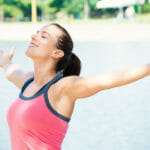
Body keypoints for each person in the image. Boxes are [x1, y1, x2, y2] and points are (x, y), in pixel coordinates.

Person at [0, 23, 150, 150]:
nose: (33, 36)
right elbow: (12, 72)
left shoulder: (63, 88)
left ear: (57, 53)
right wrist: (6, 62)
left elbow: (109, 79)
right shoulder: (28, 82)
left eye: (43, 36)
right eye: (37, 33)